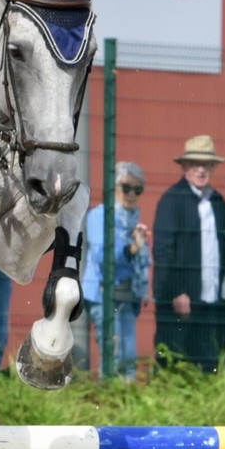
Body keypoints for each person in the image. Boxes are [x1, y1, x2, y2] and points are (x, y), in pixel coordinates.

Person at [152, 135, 225, 373]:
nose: (201, 169)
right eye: (195, 164)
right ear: (184, 167)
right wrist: (176, 292)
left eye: (206, 165)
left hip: (209, 299)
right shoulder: (172, 200)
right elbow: (163, 252)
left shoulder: (217, 202)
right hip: (179, 300)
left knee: (206, 365)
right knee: (172, 363)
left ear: (214, 168)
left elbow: (220, 251)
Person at [82, 161, 151, 379]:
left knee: (129, 356)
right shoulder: (100, 216)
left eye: (137, 190)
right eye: (126, 188)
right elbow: (102, 256)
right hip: (103, 295)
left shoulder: (133, 220)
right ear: (114, 188)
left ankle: (126, 408)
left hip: (127, 295)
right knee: (114, 354)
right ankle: (109, 404)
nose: (132, 194)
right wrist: (131, 250)